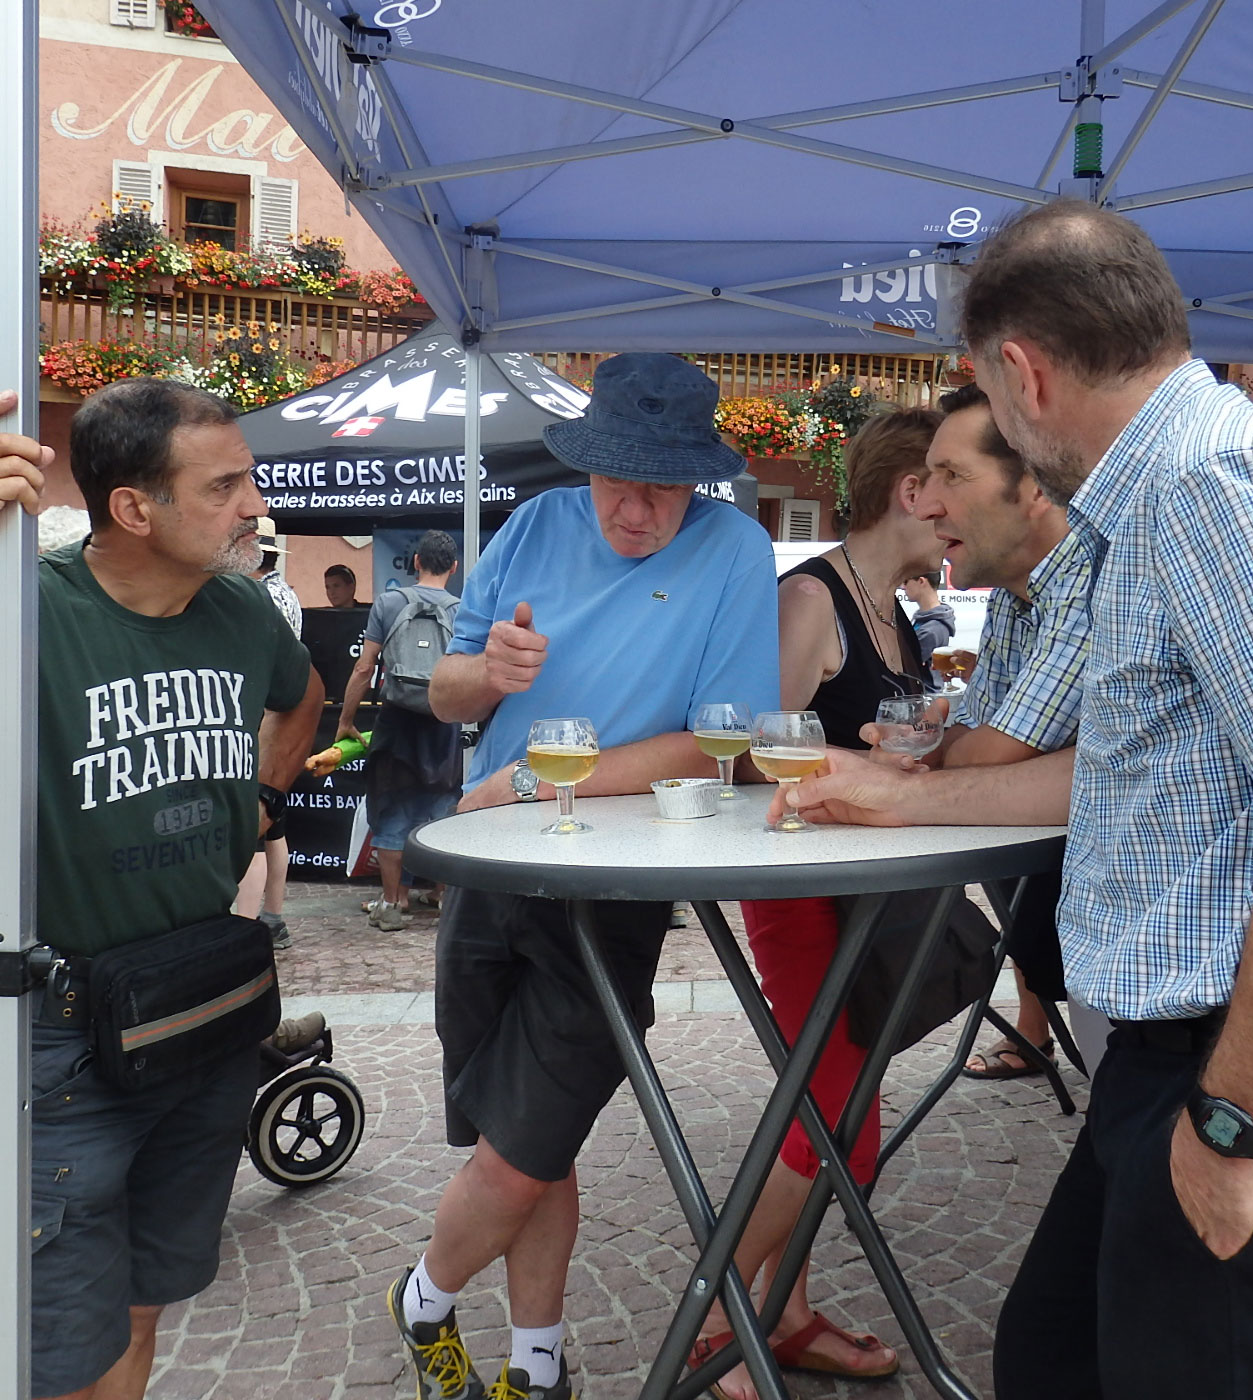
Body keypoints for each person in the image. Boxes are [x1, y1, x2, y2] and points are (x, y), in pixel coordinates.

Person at [783, 199, 1253, 1400]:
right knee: (1052, 1359)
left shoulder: (1219, 486)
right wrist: (897, 801)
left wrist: (1234, 1124)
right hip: (1205, 1058)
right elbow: (1145, 767)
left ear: (1025, 374)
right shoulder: (1183, 490)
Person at [0, 379, 324, 1400]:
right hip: (64, 1036)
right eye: (223, 487)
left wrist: (261, 802)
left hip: (204, 1012)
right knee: (56, 1352)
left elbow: (300, 697)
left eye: (249, 480)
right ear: (134, 508)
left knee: (143, 1302)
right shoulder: (16, 608)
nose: (254, 505)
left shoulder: (240, 611)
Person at [386, 353, 779, 1400]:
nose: (636, 509)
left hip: (610, 882)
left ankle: (422, 1298)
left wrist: (535, 779)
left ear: (698, 477)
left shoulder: (735, 549)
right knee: (530, 1141)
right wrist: (486, 674)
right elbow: (447, 693)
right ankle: (538, 1364)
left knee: (524, 1143)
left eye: (664, 486)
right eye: (616, 479)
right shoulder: (533, 525)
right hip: (491, 863)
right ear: (586, 462)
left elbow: (722, 743)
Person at [689, 408, 941, 1400]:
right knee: (834, 1115)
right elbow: (759, 755)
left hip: (864, 893)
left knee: (837, 1111)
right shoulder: (811, 598)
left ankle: (784, 1314)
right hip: (800, 893)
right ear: (912, 491)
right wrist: (863, 760)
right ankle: (719, 1319)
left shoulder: (890, 609)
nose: (957, 517)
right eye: (949, 491)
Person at [911, 384, 1086, 1081]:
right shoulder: (1017, 592)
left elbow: (998, 749)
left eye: (951, 476)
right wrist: (948, 746)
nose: (925, 504)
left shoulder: (1089, 578)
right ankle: (1034, 1032)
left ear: (1036, 486)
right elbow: (978, 734)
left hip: (1173, 960)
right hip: (1080, 916)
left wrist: (922, 753)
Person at [334, 529, 465, 931]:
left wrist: (345, 720)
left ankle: (392, 904)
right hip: (443, 723)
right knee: (443, 810)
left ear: (416, 562)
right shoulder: (461, 610)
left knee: (391, 810)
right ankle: (443, 896)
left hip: (396, 723)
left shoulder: (389, 603)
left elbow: (364, 668)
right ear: (454, 568)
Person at [237, 517, 304, 949]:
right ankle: (274, 917)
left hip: (259, 717)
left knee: (255, 832)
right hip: (281, 715)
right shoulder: (287, 594)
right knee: (274, 826)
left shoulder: (257, 598)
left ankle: (244, 929)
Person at [900, 571, 954, 688]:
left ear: (921, 581)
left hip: (924, 693)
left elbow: (904, 666)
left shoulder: (932, 629)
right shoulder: (924, 619)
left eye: (906, 581)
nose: (903, 587)